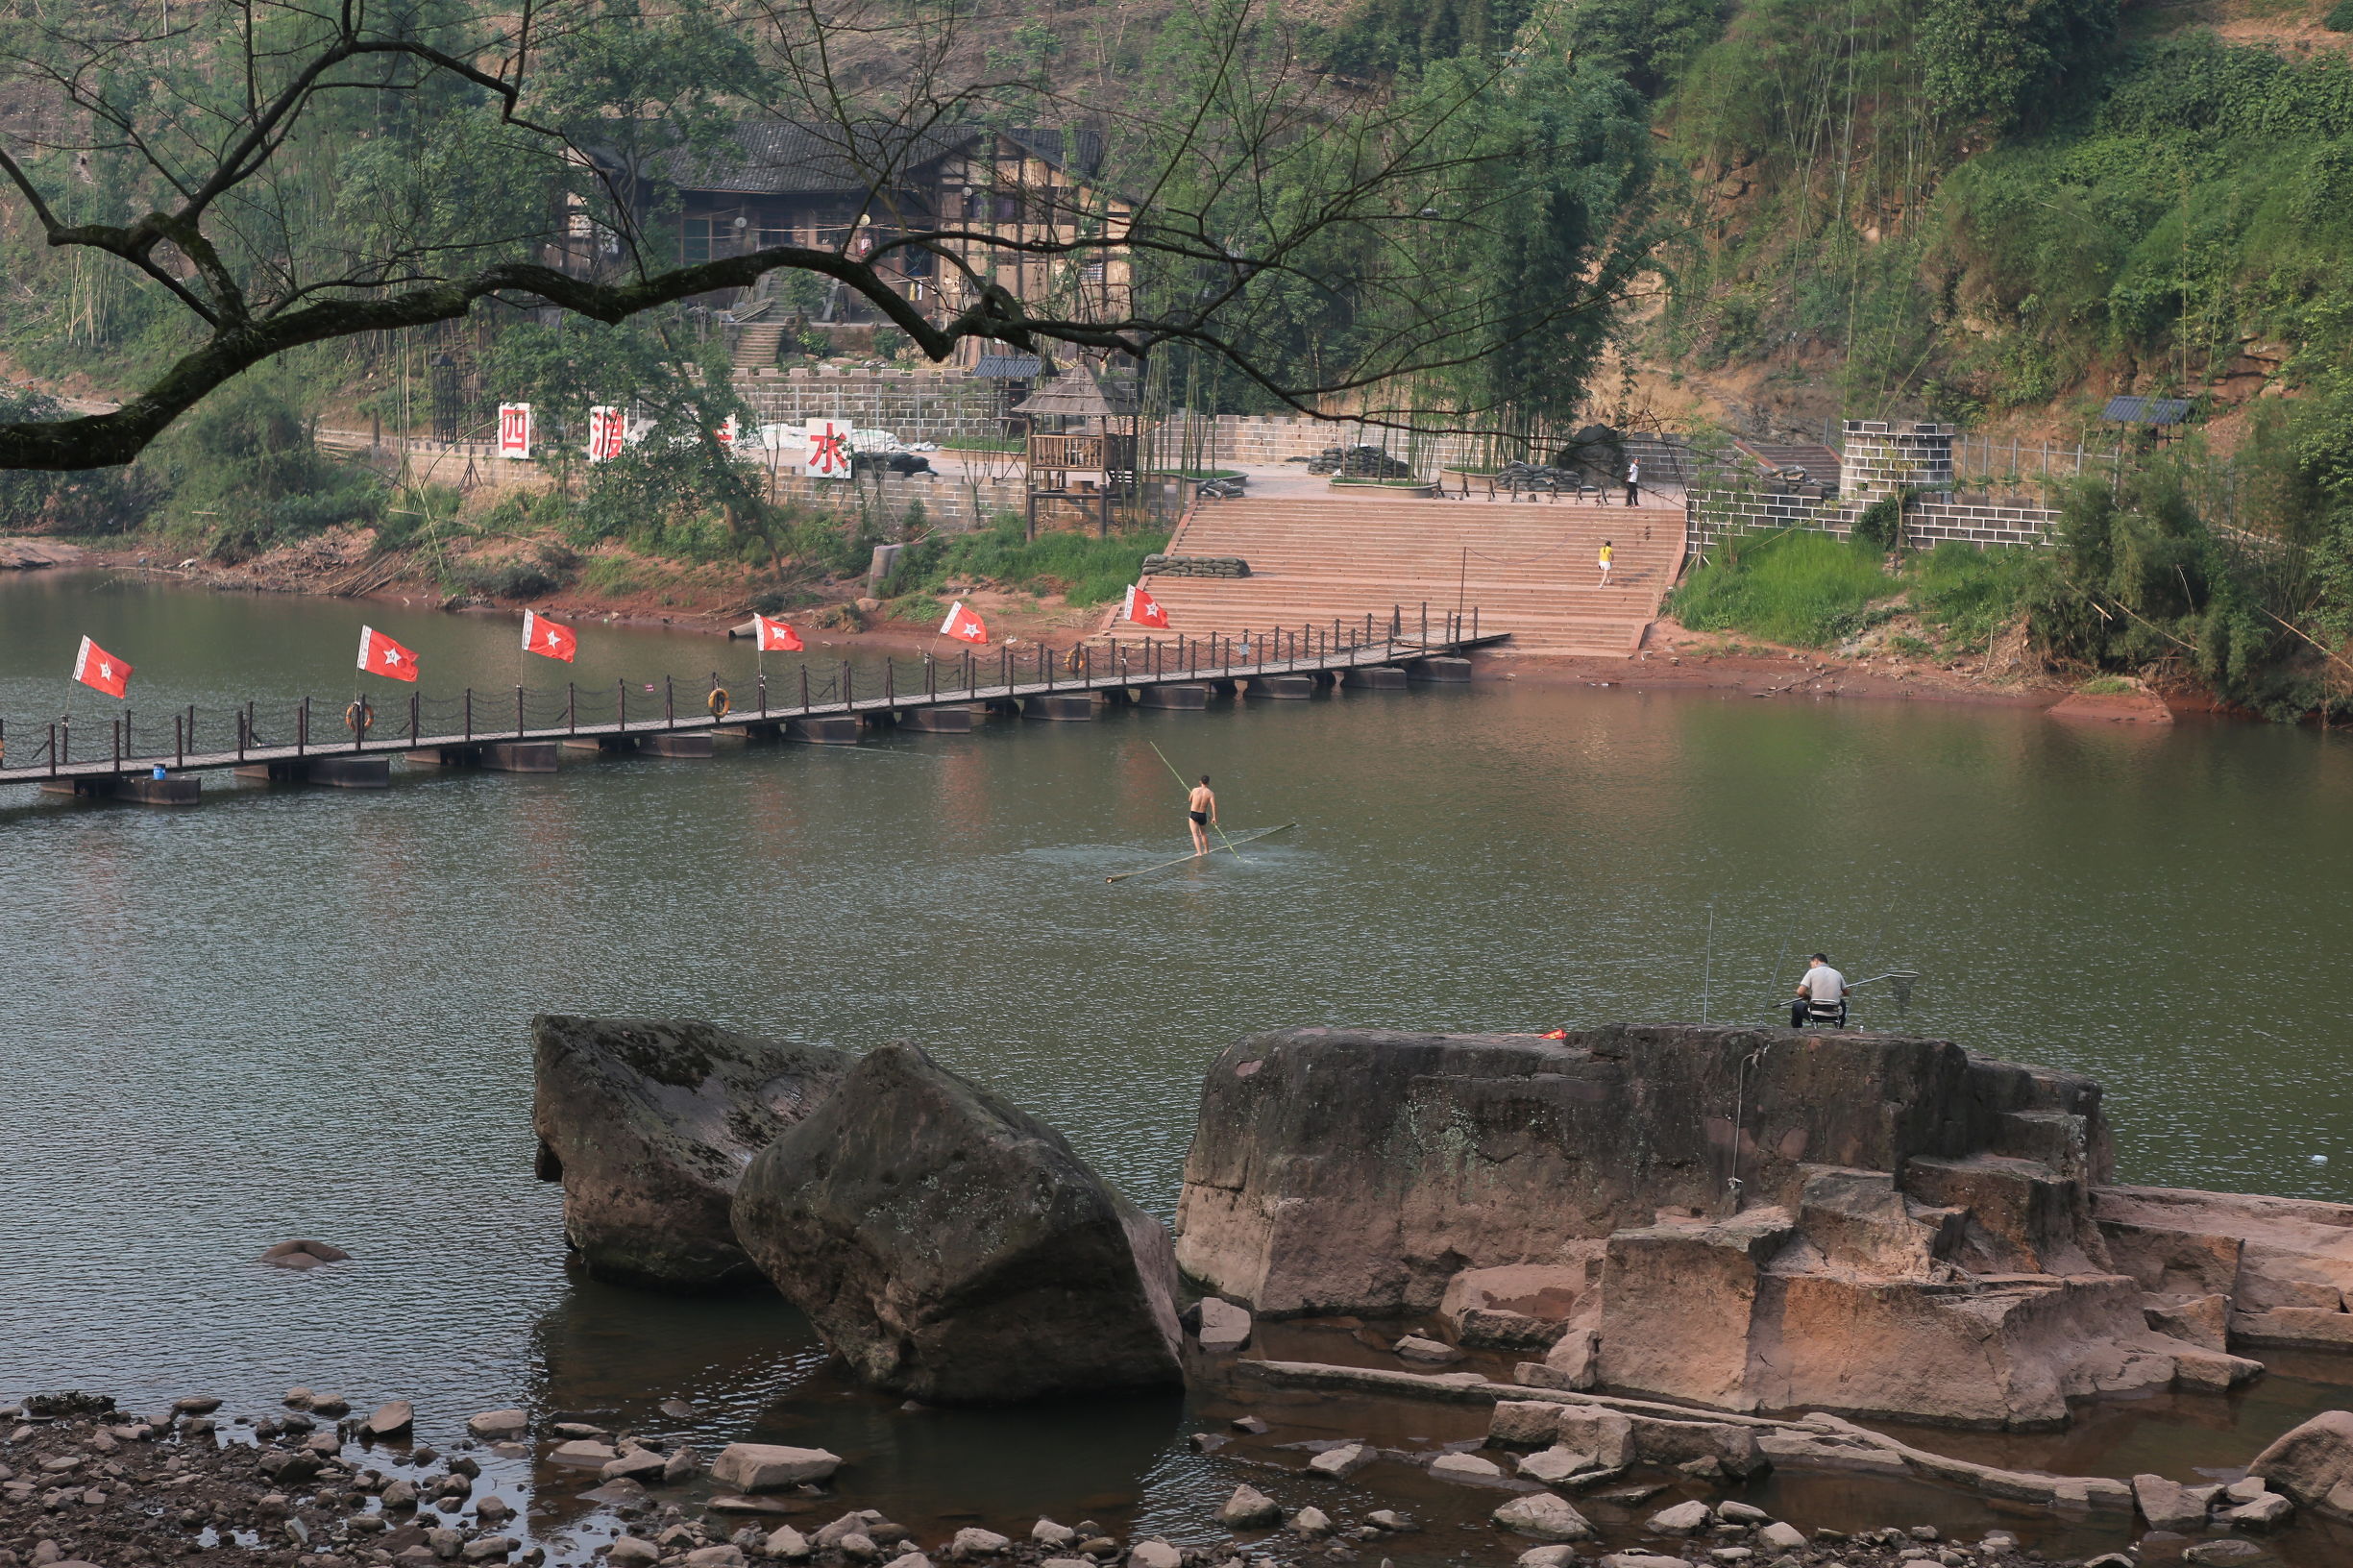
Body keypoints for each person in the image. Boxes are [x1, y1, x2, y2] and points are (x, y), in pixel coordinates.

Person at [1791, 953, 1847, 1027]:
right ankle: (1840, 1028)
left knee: (1796, 1006)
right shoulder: (1837, 973)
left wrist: (1808, 997)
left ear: (1816, 961)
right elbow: (1846, 993)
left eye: (1811, 964)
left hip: (1815, 1014)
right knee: (1842, 1003)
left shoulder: (1811, 973)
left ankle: (1796, 1031)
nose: (1811, 967)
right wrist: (1837, 993)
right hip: (1835, 1015)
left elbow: (1800, 992)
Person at [1187, 774, 1218, 855]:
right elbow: (1213, 806)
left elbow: (1190, 800)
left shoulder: (1194, 790)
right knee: (1203, 833)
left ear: (1200, 782)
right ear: (1208, 783)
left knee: (1195, 834)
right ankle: (1207, 851)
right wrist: (1214, 817)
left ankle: (1199, 852)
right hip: (1202, 815)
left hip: (1194, 814)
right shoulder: (1211, 793)